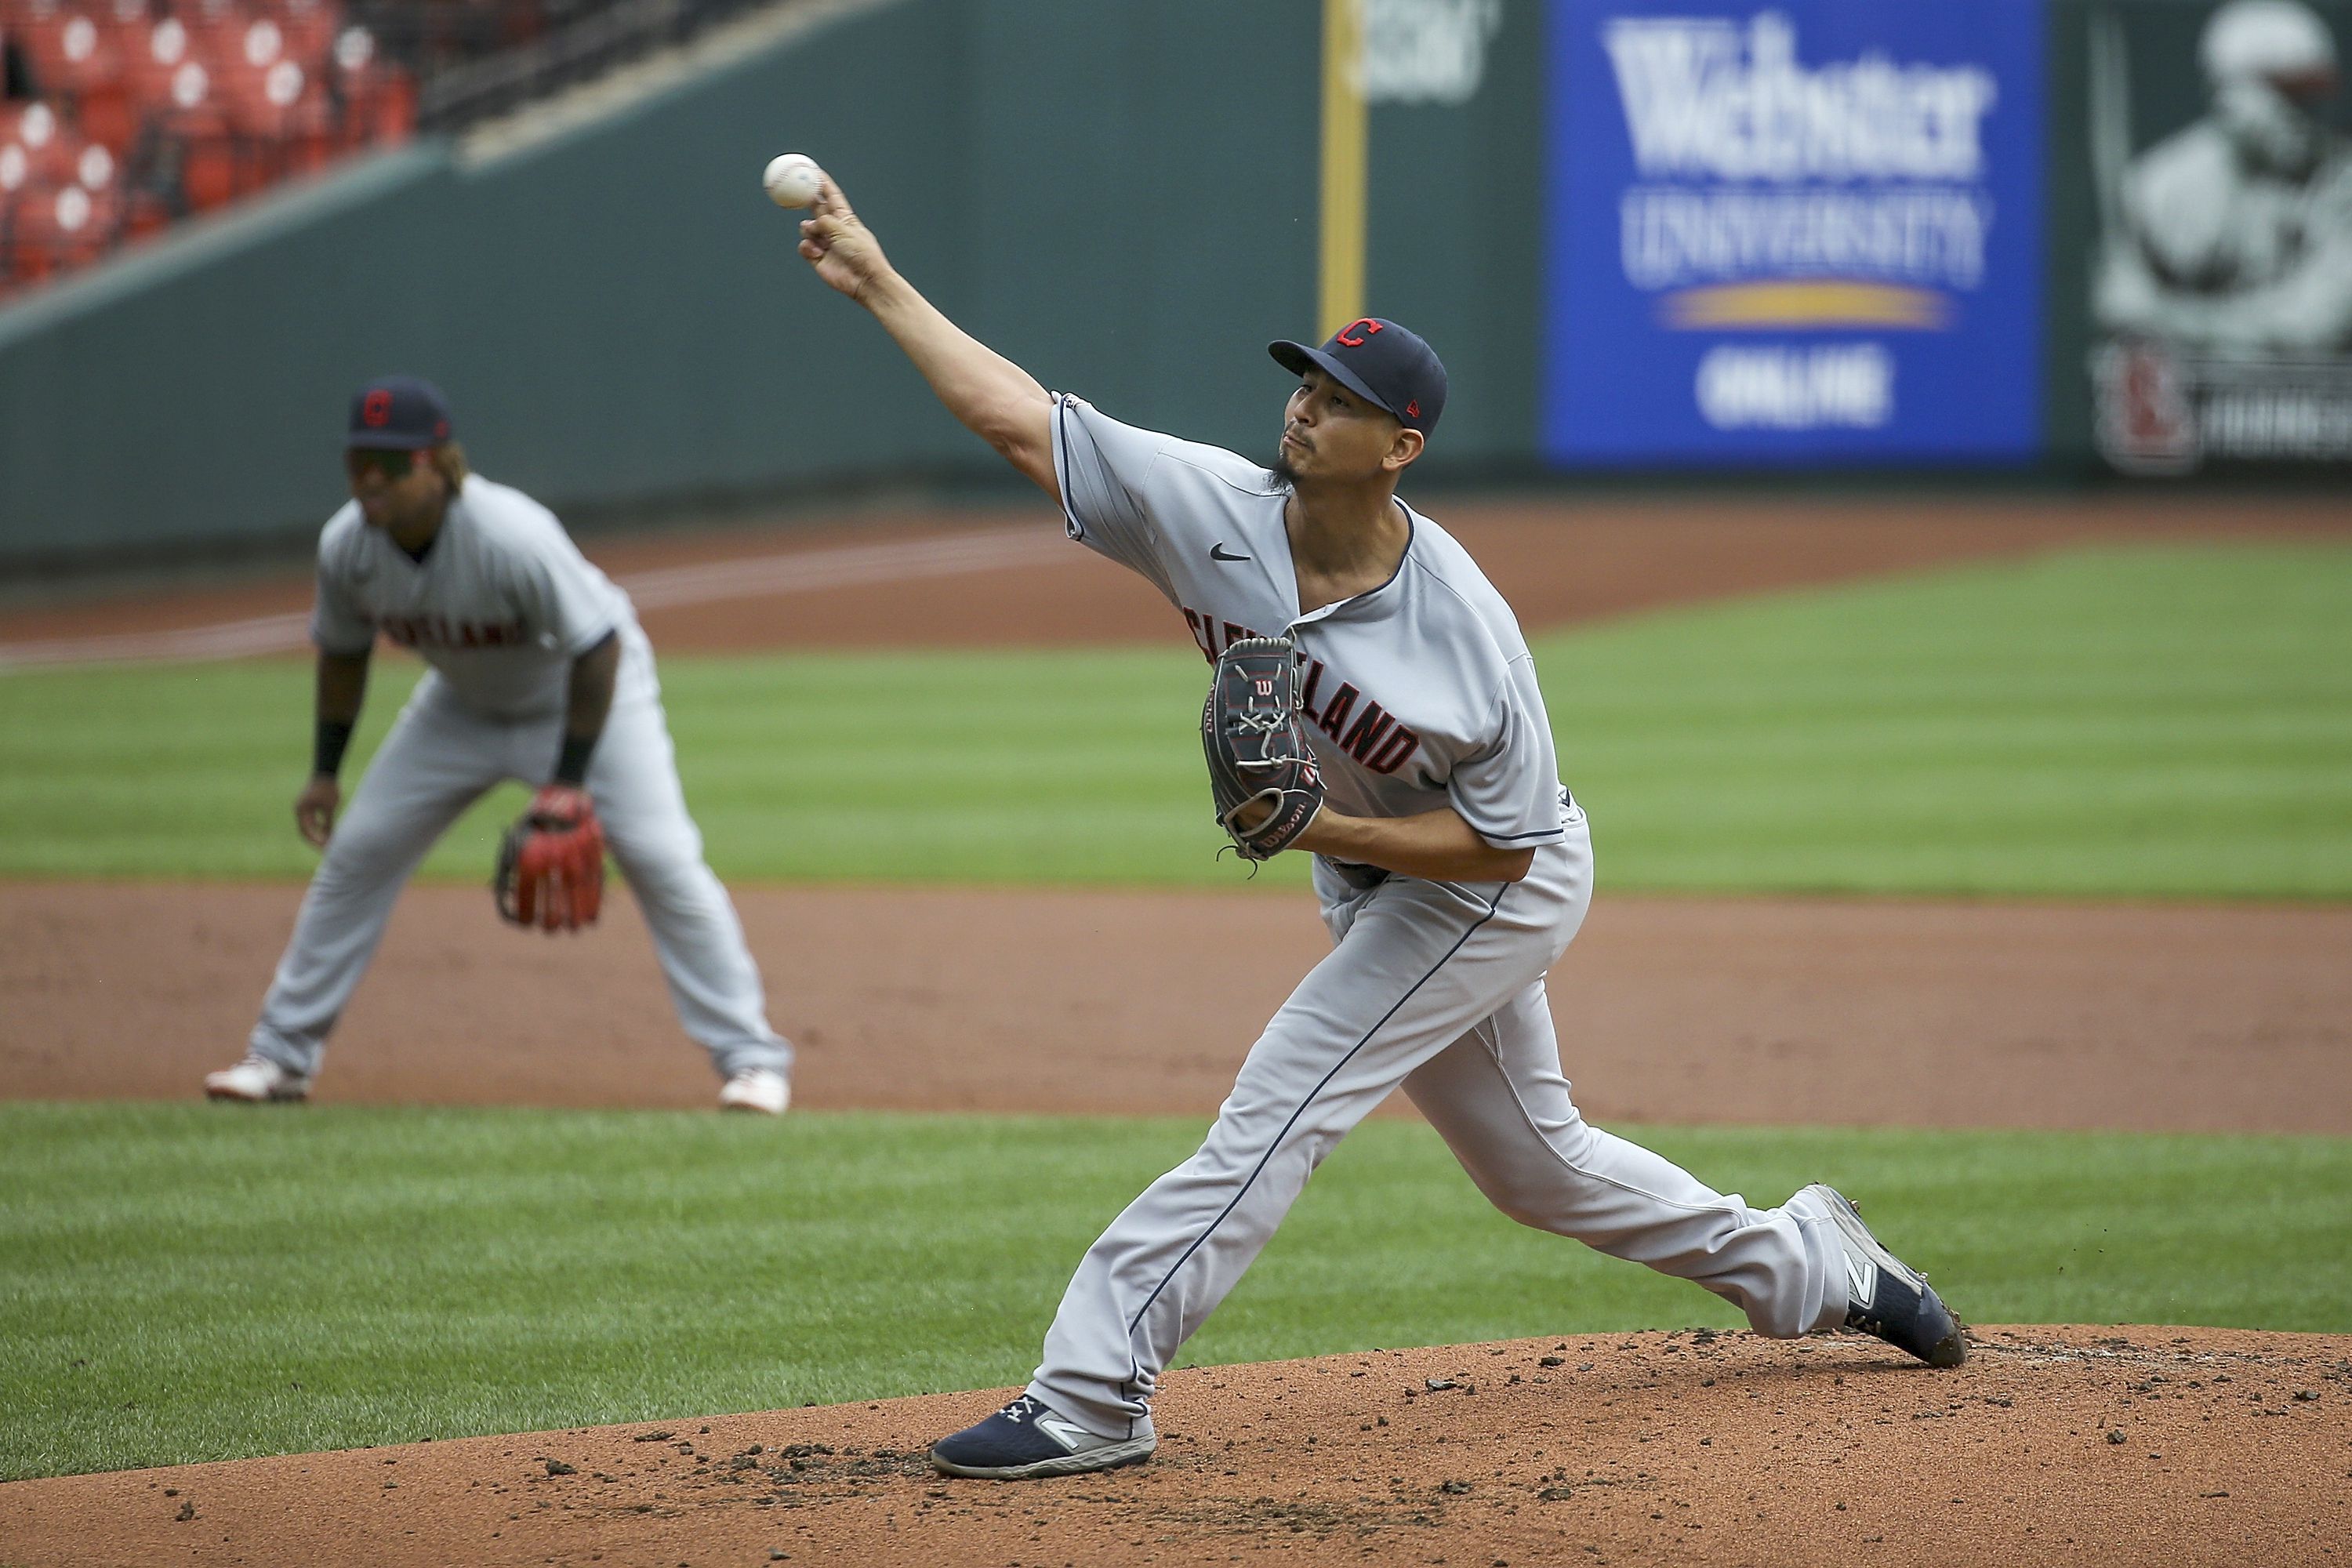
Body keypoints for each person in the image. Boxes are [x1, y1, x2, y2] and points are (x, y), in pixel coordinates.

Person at [791, 176, 1965, 1482]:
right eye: (1305, 385)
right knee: (1541, 1170)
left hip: (1491, 883)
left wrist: (1318, 830)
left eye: (1341, 401)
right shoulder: (1213, 513)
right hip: (1377, 873)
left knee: (1282, 1100)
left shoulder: (1468, 634)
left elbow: (1507, 850)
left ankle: (1093, 1390)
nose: (1306, 406)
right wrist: (881, 281)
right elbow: (1023, 422)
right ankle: (1817, 1265)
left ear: (1400, 445)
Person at [203, 376, 795, 1115]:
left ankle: (753, 1062)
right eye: (359, 461)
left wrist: (571, 780)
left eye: (388, 463)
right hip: (461, 707)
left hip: (583, 699)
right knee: (359, 855)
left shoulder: (510, 534)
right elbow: (345, 654)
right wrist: (325, 772)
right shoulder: (347, 546)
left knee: (663, 858)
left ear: (436, 463)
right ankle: (281, 1057)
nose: (368, 479)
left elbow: (599, 648)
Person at [2098, 0, 2352, 351]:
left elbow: (2318, 325)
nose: (2306, 115)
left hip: (2310, 400)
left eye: (2314, 94)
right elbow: (2117, 306)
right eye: (2288, 95)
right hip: (2190, 399)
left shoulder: (2340, 180)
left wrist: (2170, 319)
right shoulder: (2162, 186)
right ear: (2228, 97)